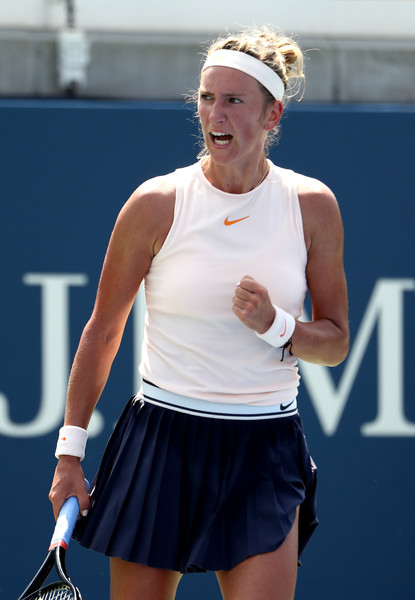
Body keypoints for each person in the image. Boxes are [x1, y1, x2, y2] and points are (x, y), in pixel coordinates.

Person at [49, 25, 349, 600]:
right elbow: (102, 331)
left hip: (264, 450)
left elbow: (334, 342)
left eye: (235, 100)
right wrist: (69, 454)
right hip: (161, 440)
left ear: (272, 116)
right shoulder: (157, 203)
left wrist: (278, 327)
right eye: (208, 97)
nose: (216, 112)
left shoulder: (312, 205)